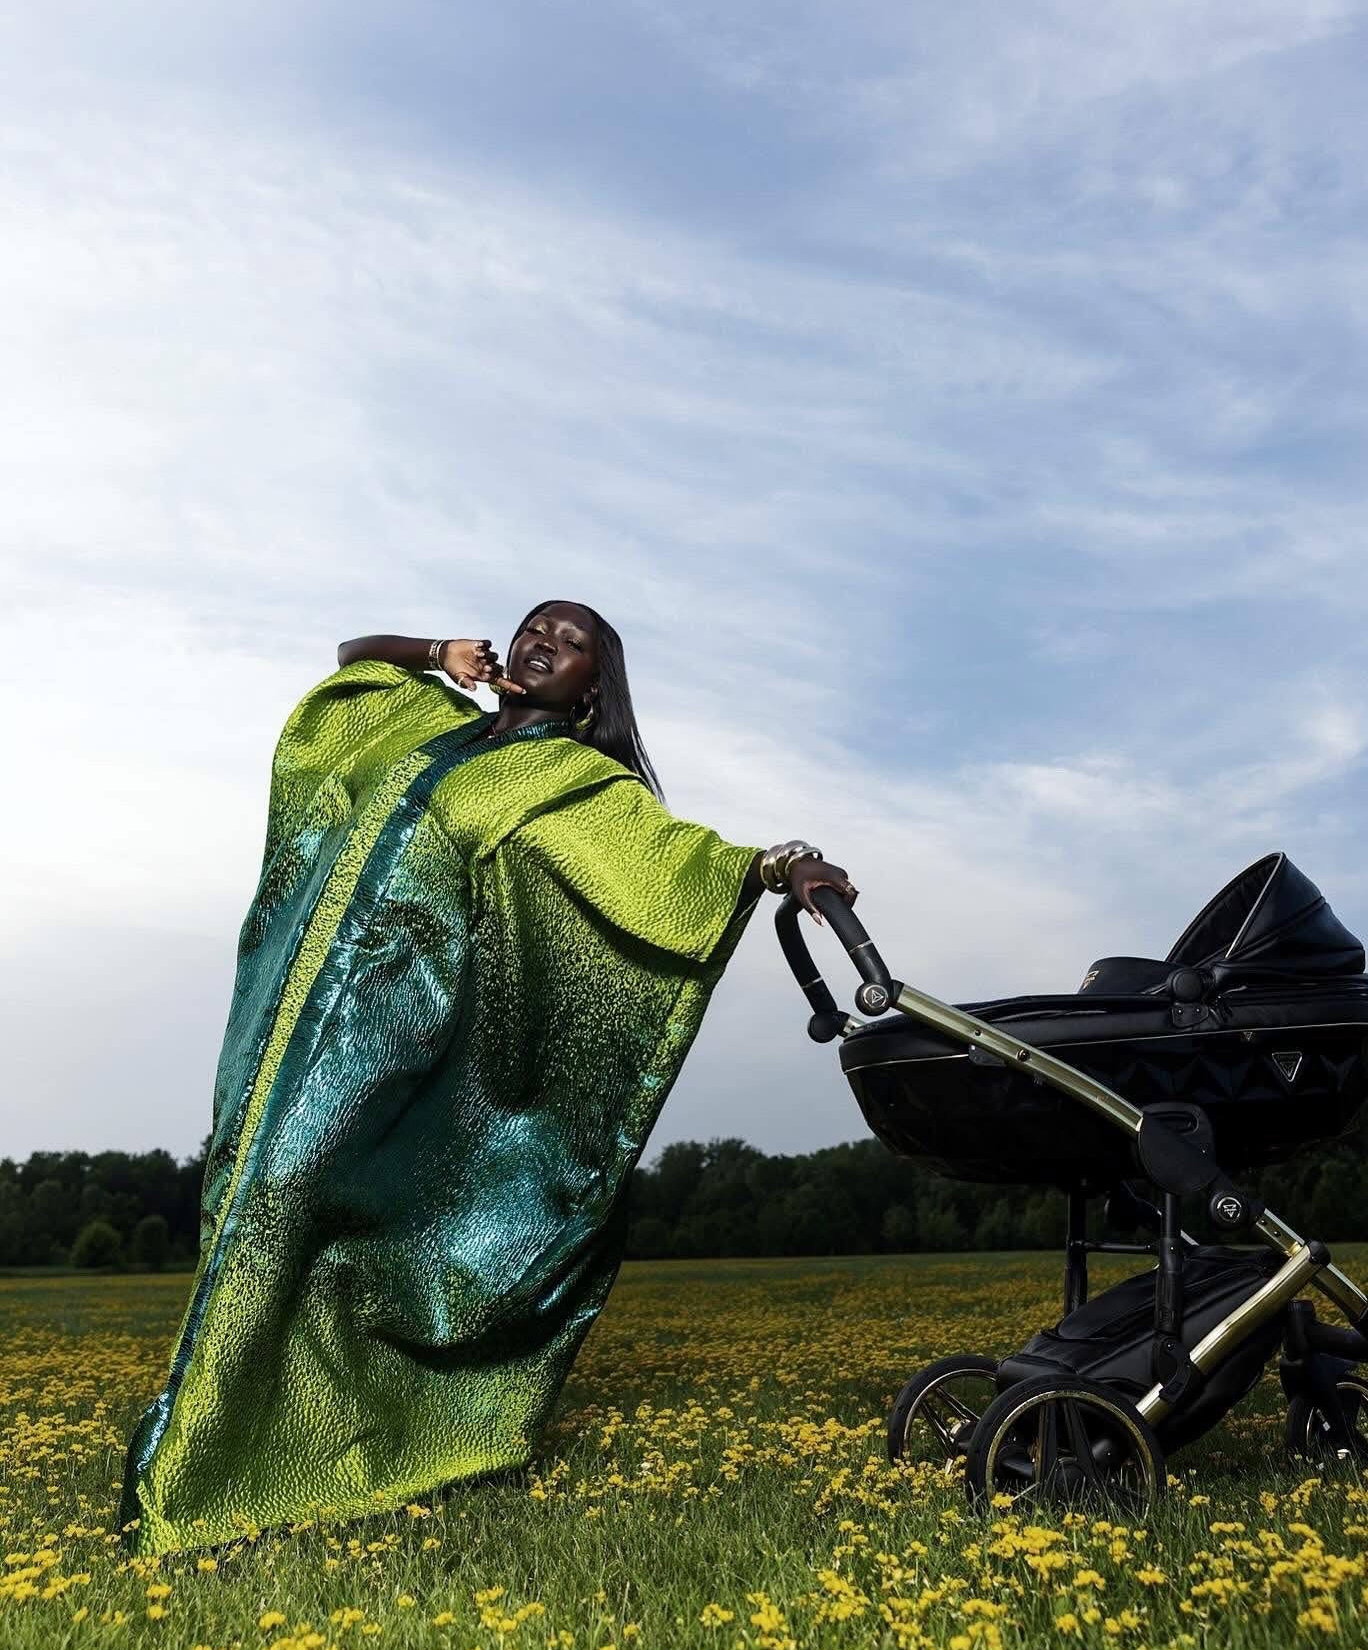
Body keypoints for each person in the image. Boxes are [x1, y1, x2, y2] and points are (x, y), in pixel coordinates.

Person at [115, 599, 855, 1556]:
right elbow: (352, 663)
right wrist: (435, 653)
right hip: (286, 1015)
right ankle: (256, 1432)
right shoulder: (426, 718)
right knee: (239, 1190)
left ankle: (208, 1468)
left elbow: (678, 863)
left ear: (593, 692)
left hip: (396, 1034)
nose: (547, 640)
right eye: (537, 625)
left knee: (283, 1195)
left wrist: (787, 864)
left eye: (574, 642)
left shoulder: (579, 782)